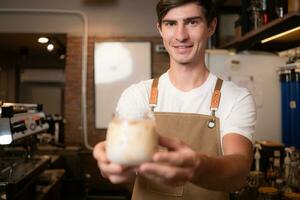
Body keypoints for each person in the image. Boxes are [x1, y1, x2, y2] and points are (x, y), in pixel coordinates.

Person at [93, 0, 257, 199]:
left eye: (192, 22)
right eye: (171, 24)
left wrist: (198, 166)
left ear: (211, 27)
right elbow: (120, 165)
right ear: (160, 29)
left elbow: (238, 173)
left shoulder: (235, 97)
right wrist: (112, 164)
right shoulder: (137, 95)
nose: (181, 35)